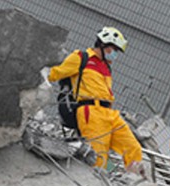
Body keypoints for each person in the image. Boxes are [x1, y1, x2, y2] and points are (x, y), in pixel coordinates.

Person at [48, 27, 144, 175]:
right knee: (99, 156)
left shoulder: (106, 67)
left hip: (109, 113)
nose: (115, 54)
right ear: (103, 45)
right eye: (114, 49)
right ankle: (94, 183)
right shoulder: (81, 57)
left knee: (133, 148)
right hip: (90, 112)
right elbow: (54, 73)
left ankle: (136, 180)